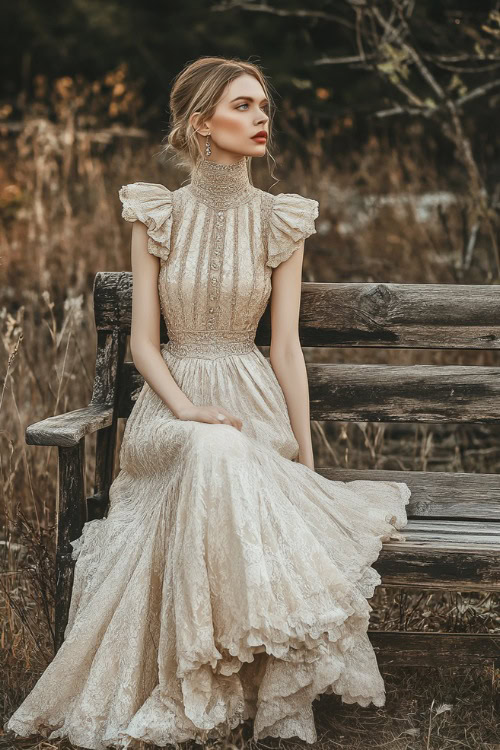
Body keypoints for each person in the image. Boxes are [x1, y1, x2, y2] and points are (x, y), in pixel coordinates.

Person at [4, 55, 410, 749]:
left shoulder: (279, 220)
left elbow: (284, 348)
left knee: (230, 450)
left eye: (263, 107)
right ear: (201, 124)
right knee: (210, 445)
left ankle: (231, 680)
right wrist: (186, 410)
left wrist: (306, 463)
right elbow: (142, 346)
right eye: (243, 106)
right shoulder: (157, 212)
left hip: (252, 404)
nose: (261, 119)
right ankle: (198, 678)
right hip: (173, 408)